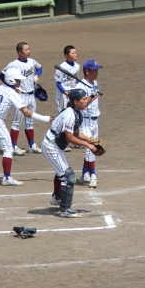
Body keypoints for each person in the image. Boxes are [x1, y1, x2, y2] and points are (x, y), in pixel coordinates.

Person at [0, 68, 51, 186]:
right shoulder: (12, 93)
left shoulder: (0, 88)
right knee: (8, 149)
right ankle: (7, 178)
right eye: (18, 80)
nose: (20, 82)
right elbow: (26, 112)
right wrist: (45, 119)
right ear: (11, 80)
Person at [42, 88, 97, 218]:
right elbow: (70, 138)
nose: (86, 101)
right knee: (68, 177)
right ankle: (65, 210)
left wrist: (89, 139)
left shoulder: (76, 112)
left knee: (62, 173)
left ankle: (57, 198)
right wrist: (87, 145)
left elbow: (76, 133)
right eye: (83, 99)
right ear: (76, 101)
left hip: (55, 146)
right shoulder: (70, 115)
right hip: (51, 146)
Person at [0, 42, 44, 156]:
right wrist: (12, 87)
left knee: (30, 121)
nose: (28, 51)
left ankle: (32, 145)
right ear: (19, 52)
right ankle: (13, 146)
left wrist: (36, 75)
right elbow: (2, 75)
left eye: (29, 49)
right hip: (20, 96)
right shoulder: (13, 64)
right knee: (17, 122)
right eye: (26, 49)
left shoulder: (32, 61)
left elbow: (40, 68)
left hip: (31, 95)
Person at [79, 59, 102, 188]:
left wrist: (92, 94)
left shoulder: (94, 83)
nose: (97, 72)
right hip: (85, 121)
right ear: (87, 71)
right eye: (94, 70)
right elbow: (82, 105)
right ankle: (93, 176)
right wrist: (91, 96)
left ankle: (84, 174)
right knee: (90, 149)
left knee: (92, 148)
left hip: (95, 120)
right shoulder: (80, 87)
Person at [54, 45, 81, 151]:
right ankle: (61, 142)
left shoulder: (77, 66)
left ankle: (73, 140)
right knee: (63, 116)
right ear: (66, 56)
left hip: (73, 93)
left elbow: (76, 80)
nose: (75, 55)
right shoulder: (62, 67)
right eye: (73, 53)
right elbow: (58, 83)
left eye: (76, 52)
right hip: (63, 94)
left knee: (74, 117)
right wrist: (65, 92)